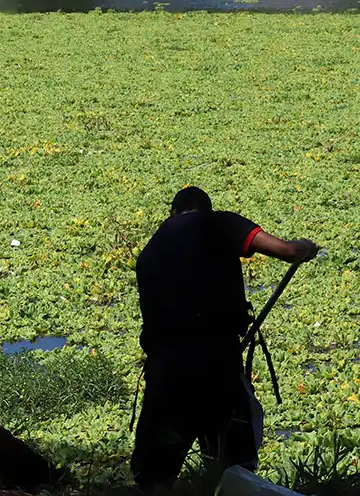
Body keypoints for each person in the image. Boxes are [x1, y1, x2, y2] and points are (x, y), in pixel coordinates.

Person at [131, 186, 319, 490]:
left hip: (164, 372)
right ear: (205, 208)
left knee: (154, 477)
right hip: (214, 367)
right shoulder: (216, 222)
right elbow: (287, 251)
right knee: (235, 469)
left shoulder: (150, 250)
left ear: (173, 213)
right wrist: (305, 247)